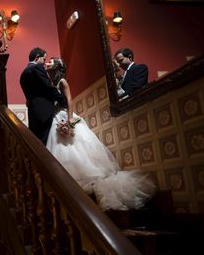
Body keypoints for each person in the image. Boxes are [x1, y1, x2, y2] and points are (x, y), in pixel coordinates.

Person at [46, 57, 156, 211]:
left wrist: (70, 120)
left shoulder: (62, 81)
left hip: (64, 116)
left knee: (73, 149)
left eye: (51, 61)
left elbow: (69, 100)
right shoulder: (48, 83)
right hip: (54, 118)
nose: (47, 62)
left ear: (57, 66)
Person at [19, 47, 67, 145]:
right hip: (44, 112)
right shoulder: (37, 67)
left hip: (33, 113)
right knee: (45, 142)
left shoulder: (24, 73)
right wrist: (63, 101)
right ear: (37, 57)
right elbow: (49, 87)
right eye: (44, 59)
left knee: (37, 142)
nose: (45, 63)